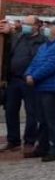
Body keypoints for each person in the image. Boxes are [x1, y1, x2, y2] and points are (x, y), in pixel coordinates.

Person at [24, 20, 55, 162]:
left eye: (50, 26)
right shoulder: (45, 46)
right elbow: (35, 62)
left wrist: (34, 76)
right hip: (42, 86)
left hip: (53, 87)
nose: (47, 28)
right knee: (43, 119)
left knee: (52, 120)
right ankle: (42, 147)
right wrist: (28, 74)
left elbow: (52, 65)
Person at [0, 16, 45, 155]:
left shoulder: (42, 41)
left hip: (30, 80)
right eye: (23, 23)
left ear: (37, 26)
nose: (24, 25)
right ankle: (13, 140)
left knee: (32, 112)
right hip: (14, 80)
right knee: (10, 110)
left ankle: (30, 141)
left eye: (28, 24)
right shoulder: (18, 37)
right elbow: (7, 48)